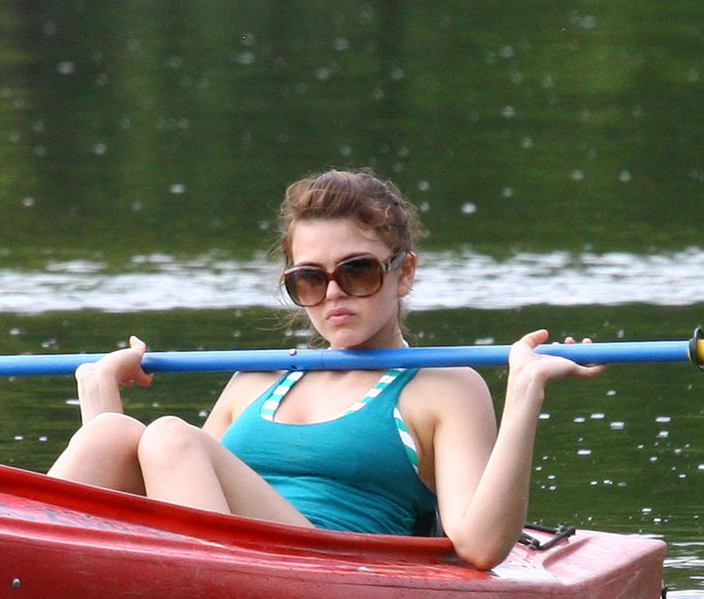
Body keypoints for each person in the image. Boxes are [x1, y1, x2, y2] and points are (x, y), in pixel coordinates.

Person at [47, 170, 602, 569]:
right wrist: (98, 393)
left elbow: (480, 548)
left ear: (403, 273)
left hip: (323, 578)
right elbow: (153, 498)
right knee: (115, 434)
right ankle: (24, 571)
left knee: (169, 435)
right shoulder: (257, 378)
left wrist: (524, 393)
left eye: (357, 272)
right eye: (309, 279)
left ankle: (200, 597)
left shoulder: (444, 386)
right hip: (228, 565)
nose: (334, 294)